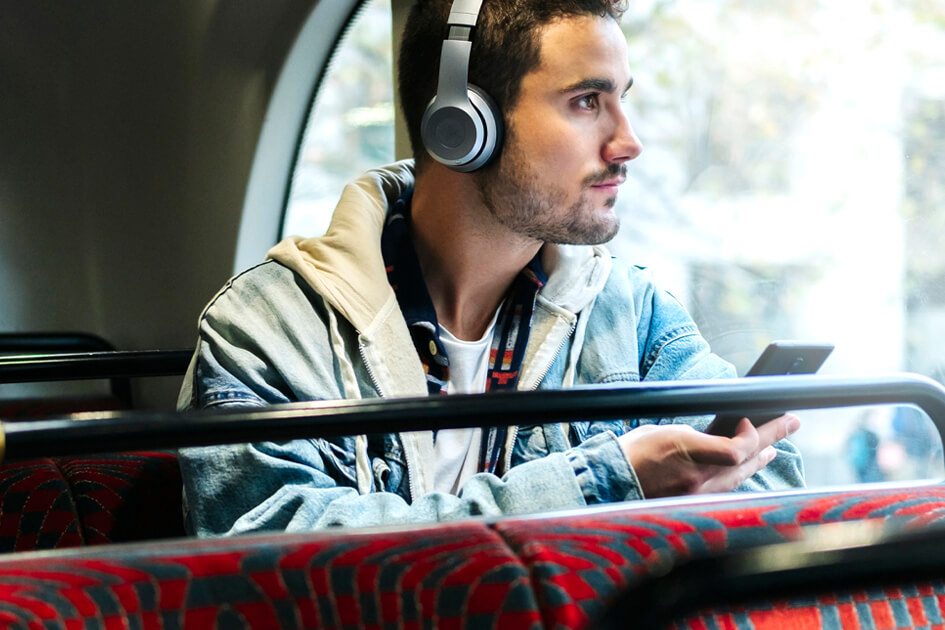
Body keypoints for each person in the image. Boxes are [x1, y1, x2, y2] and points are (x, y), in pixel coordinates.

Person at [177, 0, 804, 538]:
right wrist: (609, 481)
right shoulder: (266, 330)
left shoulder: (631, 314)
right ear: (461, 126)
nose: (627, 142)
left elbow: (772, 484)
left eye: (622, 100)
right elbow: (277, 566)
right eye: (587, 101)